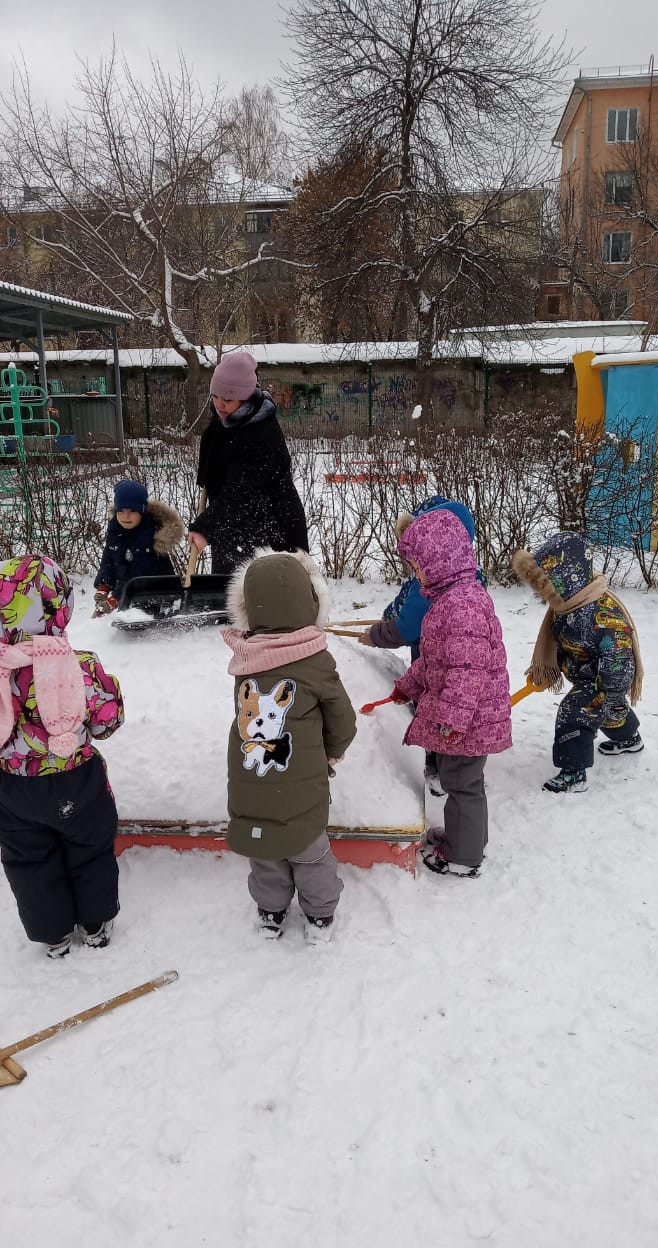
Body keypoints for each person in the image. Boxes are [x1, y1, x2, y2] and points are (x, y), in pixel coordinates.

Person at [0, 555, 125, 958]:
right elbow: (108, 722)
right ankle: (96, 923)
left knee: (28, 861)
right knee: (91, 850)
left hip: (12, 792)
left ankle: (53, 933)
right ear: (60, 605)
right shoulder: (82, 668)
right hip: (76, 782)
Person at [222, 549, 356, 943]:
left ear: (247, 608)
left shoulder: (245, 660)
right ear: (311, 602)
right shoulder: (316, 661)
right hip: (300, 785)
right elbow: (342, 721)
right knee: (309, 851)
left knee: (264, 852)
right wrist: (332, 752)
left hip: (250, 782)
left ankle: (270, 912)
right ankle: (319, 918)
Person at [390, 508, 512, 877]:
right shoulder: (450, 599)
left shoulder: (463, 605)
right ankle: (469, 838)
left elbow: (467, 670)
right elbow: (436, 659)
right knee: (465, 783)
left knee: (461, 785)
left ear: (441, 559)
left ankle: (463, 857)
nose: (416, 573)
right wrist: (407, 686)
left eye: (419, 565)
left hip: (468, 720)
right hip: (467, 717)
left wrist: (452, 720)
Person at [360, 494, 480, 796]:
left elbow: (408, 626)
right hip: (440, 675)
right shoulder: (463, 577)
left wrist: (377, 635)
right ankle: (446, 765)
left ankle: (439, 770)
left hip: (445, 684)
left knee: (442, 721)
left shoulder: (444, 591)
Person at [512, 532, 644, 794]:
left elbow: (618, 656)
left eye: (550, 582)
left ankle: (574, 772)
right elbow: (563, 639)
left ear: (568, 576)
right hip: (584, 672)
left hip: (605, 677)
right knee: (611, 712)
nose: (545, 590)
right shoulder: (568, 605)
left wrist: (609, 690)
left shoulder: (604, 615)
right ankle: (629, 738)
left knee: (575, 712)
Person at [188, 351, 309, 574]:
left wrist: (206, 526)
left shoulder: (262, 435)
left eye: (227, 399)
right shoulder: (227, 421)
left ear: (245, 397)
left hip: (271, 532)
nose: (219, 405)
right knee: (229, 600)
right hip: (236, 527)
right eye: (215, 396)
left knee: (263, 601)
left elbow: (242, 491)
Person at [93, 479, 185, 616]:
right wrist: (103, 586)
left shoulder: (148, 535)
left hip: (160, 595)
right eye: (121, 511)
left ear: (142, 510)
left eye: (132, 510)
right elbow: (108, 560)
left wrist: (116, 598)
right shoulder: (115, 530)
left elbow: (139, 573)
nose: (126, 516)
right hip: (133, 595)